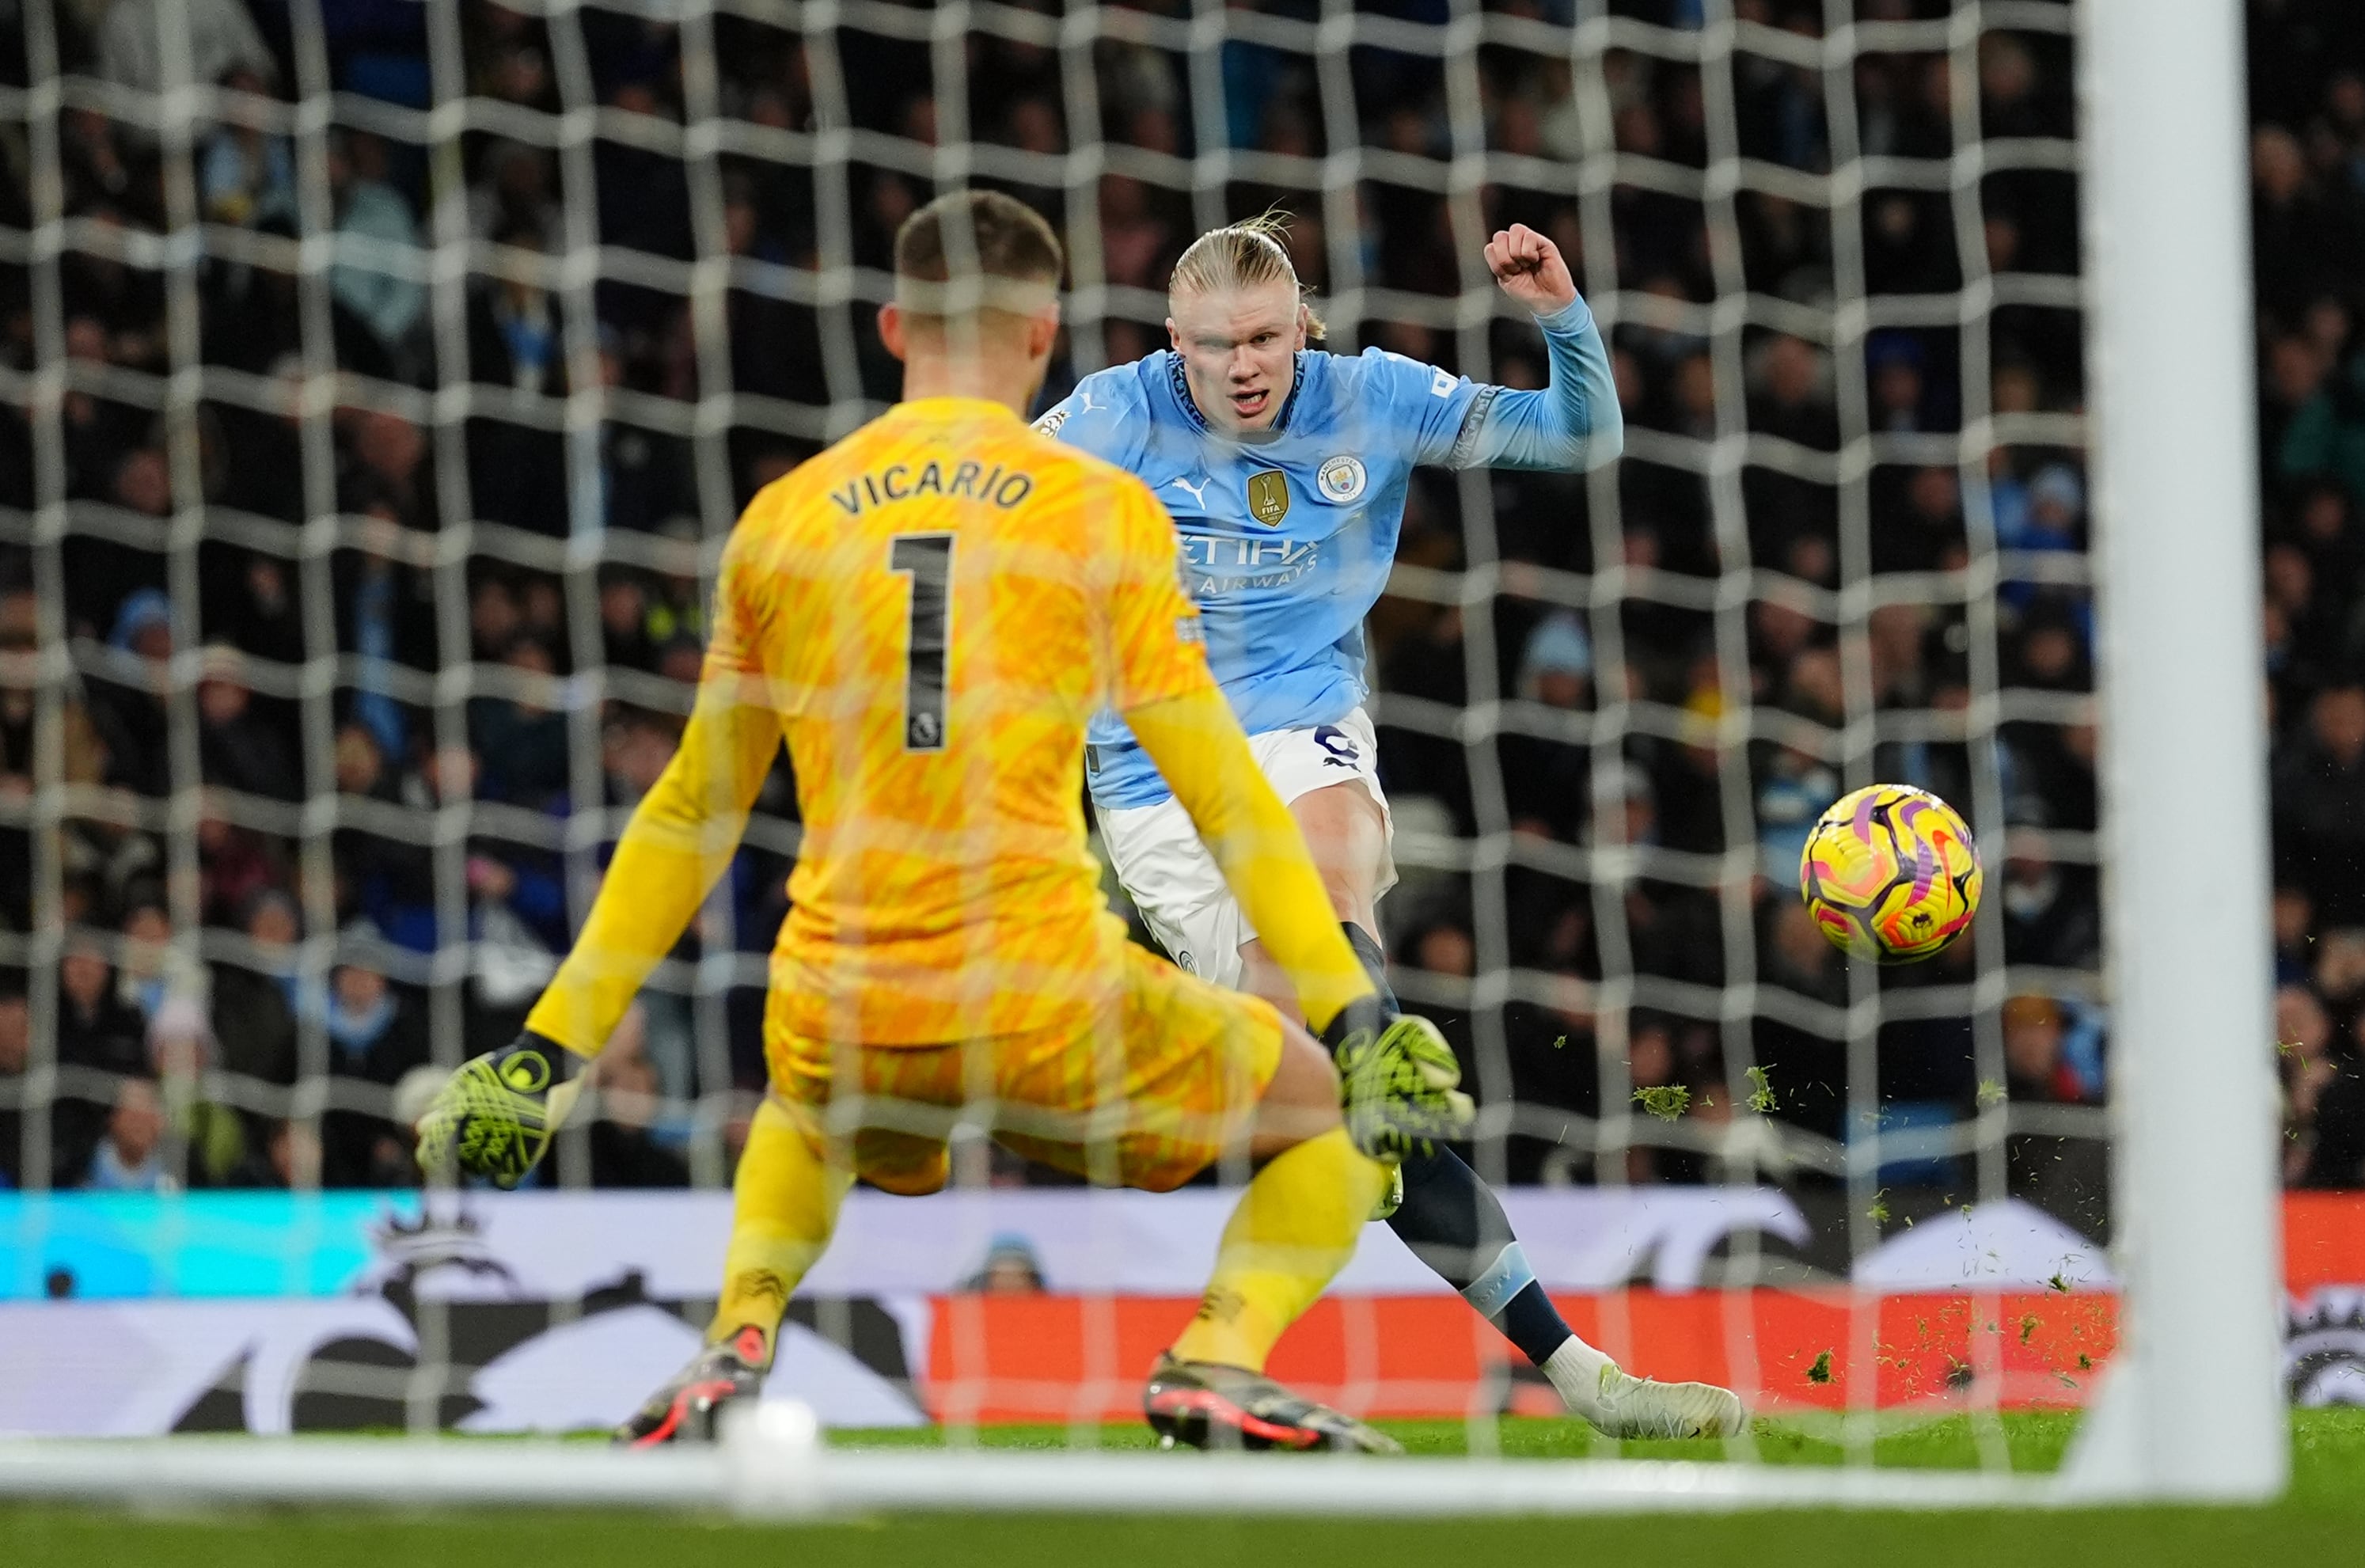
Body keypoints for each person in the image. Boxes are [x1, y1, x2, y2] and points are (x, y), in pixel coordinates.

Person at [415, 190, 1473, 1453]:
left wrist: (546, 1053)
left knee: (808, 1118)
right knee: (1335, 1124)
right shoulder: (1095, 507)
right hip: (1044, 995)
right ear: (1044, 334)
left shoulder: (784, 521)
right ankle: (1217, 1359)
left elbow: (691, 813)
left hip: (847, 998)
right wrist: (1356, 1019)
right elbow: (1225, 796)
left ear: (890, 326)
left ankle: (736, 1331)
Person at [1034, 211, 1744, 1439]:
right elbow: (986, 508)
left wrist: (1559, 315)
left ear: (1300, 322)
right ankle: (1574, 1373)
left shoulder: (1376, 396)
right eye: (1213, 346)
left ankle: (1364, 1038)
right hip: (1152, 772)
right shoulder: (1113, 413)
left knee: (1328, 913)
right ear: (1172, 341)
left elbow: (1586, 435)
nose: (1242, 366)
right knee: (1342, 1111)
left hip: (1303, 720)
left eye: (1262, 337)